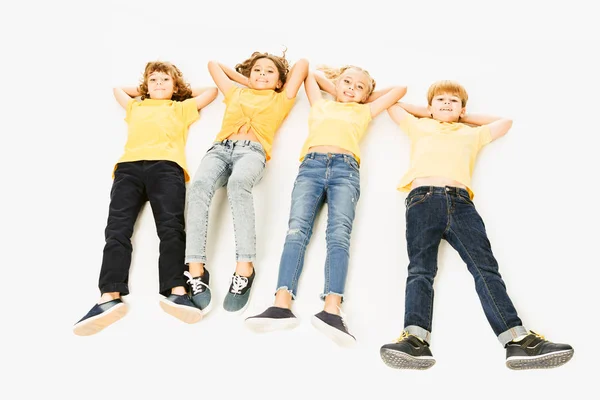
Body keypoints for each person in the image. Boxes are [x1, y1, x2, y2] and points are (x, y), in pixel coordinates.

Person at [379, 80, 574, 369]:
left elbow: (504, 122)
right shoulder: (420, 126)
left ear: (463, 109)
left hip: (461, 203)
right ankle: (415, 341)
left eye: (453, 102)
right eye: (441, 100)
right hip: (423, 200)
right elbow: (391, 104)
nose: (447, 103)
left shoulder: (471, 134)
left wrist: (459, 117)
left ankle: (518, 340)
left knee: (485, 269)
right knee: (420, 270)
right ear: (429, 108)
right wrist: (431, 112)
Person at [245, 65, 406, 347]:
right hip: (311, 167)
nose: (351, 88)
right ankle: (281, 304)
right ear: (335, 83)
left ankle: (331, 308)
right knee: (296, 232)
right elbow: (307, 71)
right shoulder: (319, 103)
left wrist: (361, 95)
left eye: (360, 87)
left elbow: (399, 91)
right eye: (347, 82)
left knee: (339, 237)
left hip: (346, 171)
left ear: (367, 95)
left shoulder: (364, 110)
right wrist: (338, 88)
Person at [73, 61, 218, 336]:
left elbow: (210, 91)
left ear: (176, 87)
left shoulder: (181, 107)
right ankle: (109, 296)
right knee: (116, 230)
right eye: (153, 81)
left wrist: (179, 89)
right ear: (145, 87)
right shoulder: (135, 106)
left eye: (165, 80)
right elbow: (118, 89)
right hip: (128, 168)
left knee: (171, 229)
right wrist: (145, 89)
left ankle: (177, 290)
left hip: (166, 166)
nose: (159, 84)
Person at [184, 51, 308, 316]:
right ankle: (195, 269)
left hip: (252, 152)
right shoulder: (236, 93)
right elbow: (213, 64)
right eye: (257, 70)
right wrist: (248, 80)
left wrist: (269, 82)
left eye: (269, 71)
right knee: (198, 188)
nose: (262, 74)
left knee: (238, 185)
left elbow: (302, 65)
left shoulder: (281, 98)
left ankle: (244, 268)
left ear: (279, 82)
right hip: (219, 149)